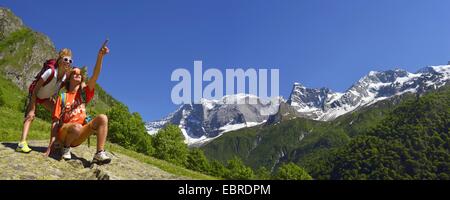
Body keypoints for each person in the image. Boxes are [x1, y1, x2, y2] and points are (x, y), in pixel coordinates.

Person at [44, 41, 111, 164]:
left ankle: (99, 153)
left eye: (80, 74)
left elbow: (95, 76)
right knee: (76, 127)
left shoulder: (84, 94)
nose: (77, 75)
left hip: (78, 135)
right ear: (69, 78)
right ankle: (65, 147)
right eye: (74, 73)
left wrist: (100, 56)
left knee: (103, 118)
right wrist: (51, 144)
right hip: (65, 134)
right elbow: (55, 122)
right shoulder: (63, 97)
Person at [16, 49, 72, 153]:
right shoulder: (50, 71)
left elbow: (56, 89)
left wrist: (53, 99)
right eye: (66, 59)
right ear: (60, 61)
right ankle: (21, 143)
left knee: (59, 114)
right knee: (30, 116)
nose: (68, 62)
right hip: (35, 94)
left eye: (70, 61)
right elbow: (35, 89)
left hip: (46, 98)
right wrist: (32, 107)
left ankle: (57, 142)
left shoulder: (64, 78)